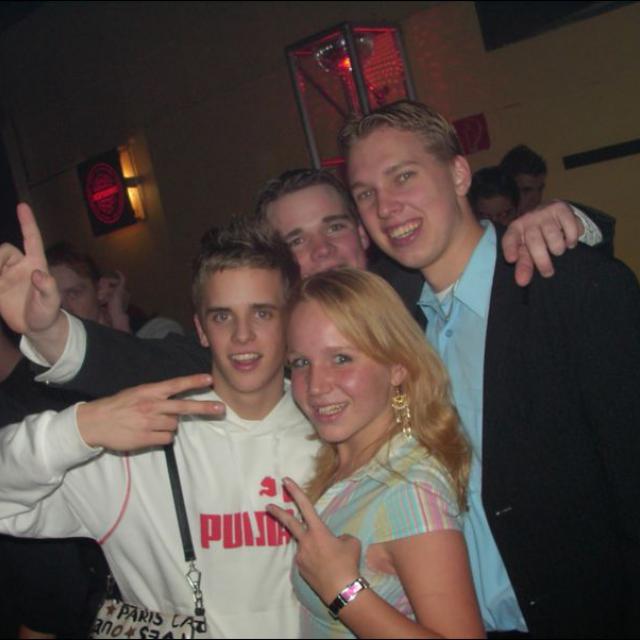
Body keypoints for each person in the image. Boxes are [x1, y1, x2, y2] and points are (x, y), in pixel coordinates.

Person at [338, 99, 640, 638]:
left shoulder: (565, 286)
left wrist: (579, 221)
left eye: (403, 176)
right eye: (365, 194)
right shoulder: (397, 324)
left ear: (459, 174)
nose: (385, 207)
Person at [0, 218, 320, 638]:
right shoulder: (142, 441)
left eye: (262, 313)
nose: (243, 335)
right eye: (222, 316)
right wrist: (80, 428)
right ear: (201, 329)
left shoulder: (331, 432)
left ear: (290, 321)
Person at [267, 268, 484, 638]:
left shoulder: (410, 488)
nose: (316, 386)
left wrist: (343, 590)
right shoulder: (351, 464)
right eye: (301, 362)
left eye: (341, 358)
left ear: (397, 366)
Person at [46, 241, 184, 338]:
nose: (64, 309)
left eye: (73, 293)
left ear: (100, 290)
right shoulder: (53, 357)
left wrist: (119, 322)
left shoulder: (158, 332)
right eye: (52, 298)